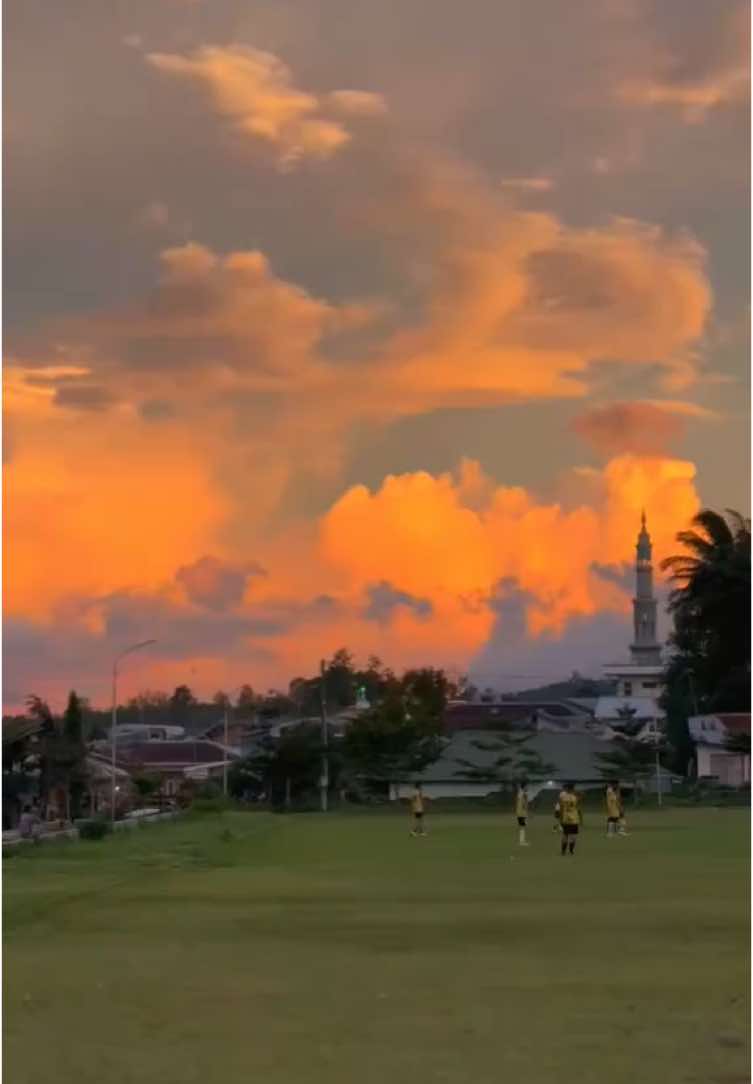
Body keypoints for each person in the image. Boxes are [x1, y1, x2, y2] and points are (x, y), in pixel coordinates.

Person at [554, 782, 581, 856]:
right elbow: (577, 806)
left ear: (567, 789)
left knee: (565, 835)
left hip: (565, 818)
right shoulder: (575, 797)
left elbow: (561, 808)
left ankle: (563, 851)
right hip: (574, 819)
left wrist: (560, 818)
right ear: (572, 789)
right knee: (573, 836)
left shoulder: (562, 797)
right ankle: (571, 851)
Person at [515, 781, 530, 846]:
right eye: (527, 786)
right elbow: (524, 804)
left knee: (522, 826)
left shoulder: (520, 793)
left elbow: (518, 801)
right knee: (522, 827)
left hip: (519, 812)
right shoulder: (524, 793)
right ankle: (522, 842)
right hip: (522, 812)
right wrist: (527, 811)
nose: (527, 787)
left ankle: (522, 841)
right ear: (524, 787)